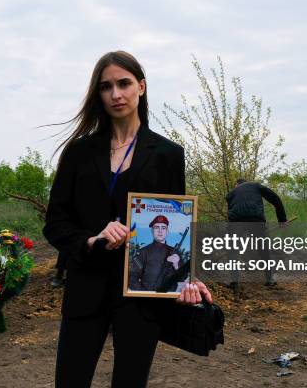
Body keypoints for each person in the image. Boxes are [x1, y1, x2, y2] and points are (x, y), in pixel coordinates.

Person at [43, 51, 213, 388]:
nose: (116, 94)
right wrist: (91, 240)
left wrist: (185, 278)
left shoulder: (168, 154)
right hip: (85, 289)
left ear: (142, 87)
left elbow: (178, 224)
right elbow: (55, 223)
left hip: (142, 295)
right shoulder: (78, 152)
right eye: (106, 87)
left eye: (124, 84)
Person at [225, 178, 287, 290]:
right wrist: (282, 218)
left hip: (236, 221)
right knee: (263, 249)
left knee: (233, 250)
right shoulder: (255, 185)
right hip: (256, 220)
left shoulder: (231, 193)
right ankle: (270, 279)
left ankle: (234, 282)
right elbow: (275, 198)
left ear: (237, 185)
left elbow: (230, 212)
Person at [129, 215, 183, 291]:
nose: (160, 231)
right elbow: (132, 277)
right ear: (152, 231)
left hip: (170, 299)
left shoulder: (175, 253)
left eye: (163, 228)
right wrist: (143, 293)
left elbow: (183, 278)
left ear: (167, 231)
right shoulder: (143, 252)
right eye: (156, 227)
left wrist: (176, 265)